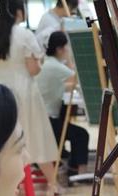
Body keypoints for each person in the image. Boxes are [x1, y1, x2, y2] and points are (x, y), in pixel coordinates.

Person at [0, 0, 61, 196]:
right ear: (19, 11)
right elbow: (33, 69)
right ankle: (52, 183)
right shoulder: (24, 34)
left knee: (6, 140)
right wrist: (40, 62)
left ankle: (12, 187)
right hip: (24, 91)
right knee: (35, 137)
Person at [35, 32, 90, 178]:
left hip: (41, 119)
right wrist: (70, 61)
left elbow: (60, 85)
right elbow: (80, 79)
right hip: (49, 122)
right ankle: (80, 172)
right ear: (60, 49)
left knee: (72, 127)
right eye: (67, 48)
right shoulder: (55, 66)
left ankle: (73, 166)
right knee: (81, 134)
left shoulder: (46, 62)